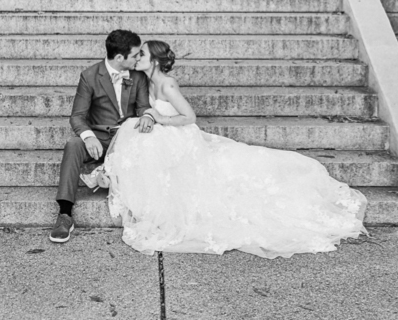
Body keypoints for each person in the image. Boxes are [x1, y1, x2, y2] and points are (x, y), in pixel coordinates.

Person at [103, 40, 368, 259]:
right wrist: (149, 115)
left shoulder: (168, 85)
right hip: (166, 135)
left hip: (180, 135)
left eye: (143, 54)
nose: (138, 58)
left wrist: (161, 119)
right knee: (136, 135)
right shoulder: (144, 80)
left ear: (156, 61)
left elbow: (189, 117)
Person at [49, 29, 155, 243]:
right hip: (100, 137)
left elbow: (144, 107)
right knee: (73, 144)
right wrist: (88, 136)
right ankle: (64, 214)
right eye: (135, 55)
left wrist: (148, 117)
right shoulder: (89, 76)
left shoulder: (138, 76)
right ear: (119, 58)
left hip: (128, 138)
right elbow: (77, 116)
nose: (138, 58)